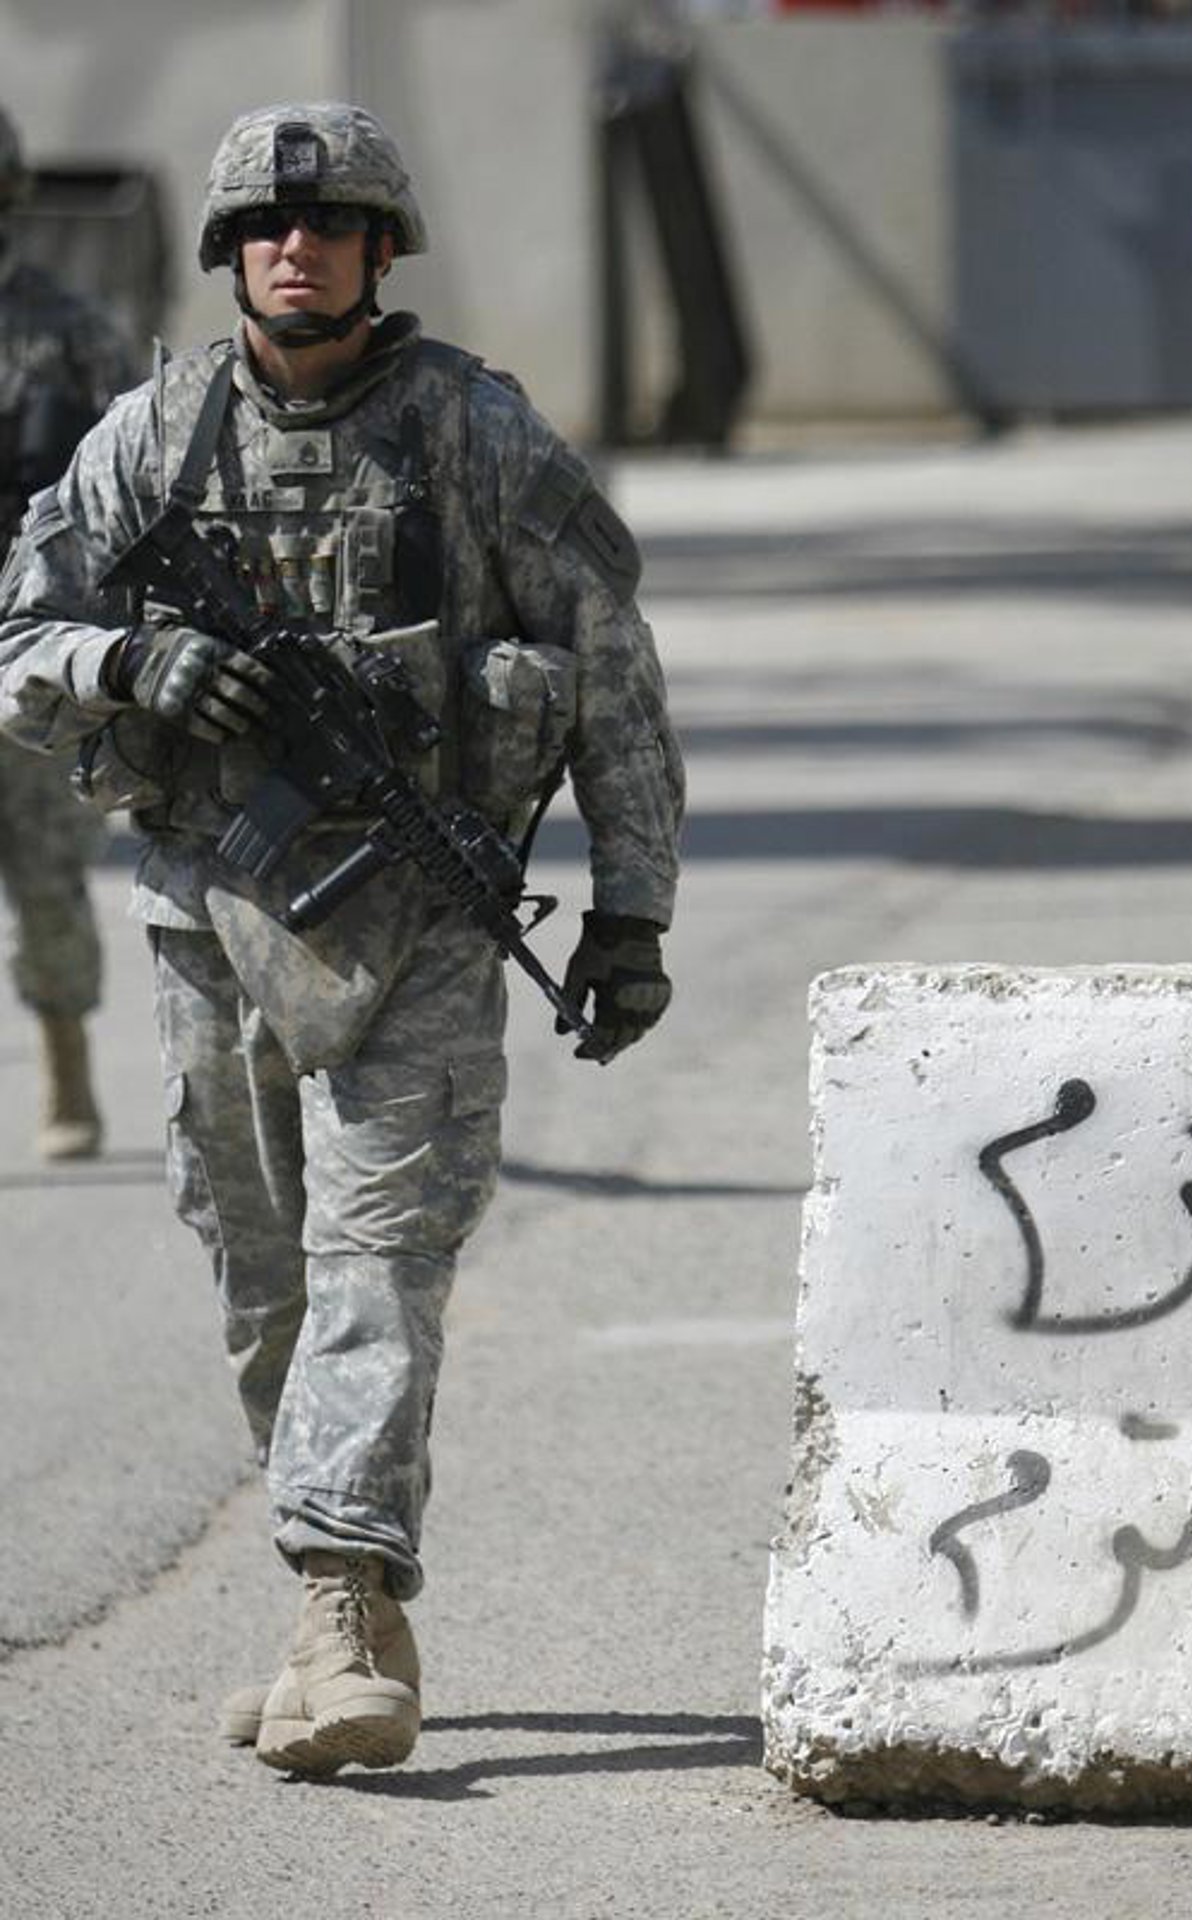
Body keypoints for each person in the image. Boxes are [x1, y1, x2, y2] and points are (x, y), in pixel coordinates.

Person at [0, 102, 685, 1774]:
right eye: (263, 228)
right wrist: (124, 665)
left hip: (419, 918)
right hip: (208, 913)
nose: (293, 248)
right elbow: (20, 633)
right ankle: (325, 1587)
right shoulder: (150, 437)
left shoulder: (476, 433)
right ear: (228, 254)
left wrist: (632, 908)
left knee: (380, 1260)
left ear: (384, 251)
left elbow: (610, 666)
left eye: (327, 226)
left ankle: (348, 1603)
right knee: (265, 1286)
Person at [0, 104, 142, 1158]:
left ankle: (66, 1066)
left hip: (32, 648)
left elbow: (135, 490)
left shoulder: (71, 333)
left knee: (47, 875)